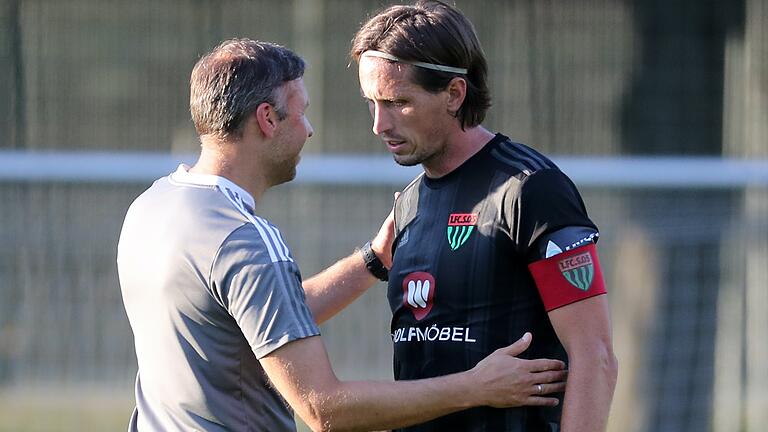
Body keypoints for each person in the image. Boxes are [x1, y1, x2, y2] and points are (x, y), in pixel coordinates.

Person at [117, 38, 569, 432]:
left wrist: (372, 260)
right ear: (266, 120)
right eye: (301, 113)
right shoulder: (245, 240)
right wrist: (475, 386)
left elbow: (258, 319)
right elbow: (323, 409)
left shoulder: (152, 208)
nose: (309, 129)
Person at [349, 1, 619, 431]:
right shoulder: (408, 205)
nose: (379, 124)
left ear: (455, 94)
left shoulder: (532, 190)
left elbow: (596, 356)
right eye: (372, 102)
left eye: (398, 102)